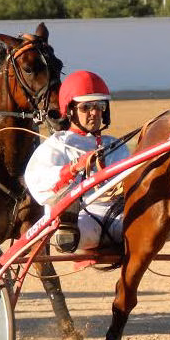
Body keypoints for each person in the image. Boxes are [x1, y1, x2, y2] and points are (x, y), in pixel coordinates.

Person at [24, 70, 130, 252]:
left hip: (118, 216)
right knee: (70, 230)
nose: (94, 113)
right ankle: (66, 230)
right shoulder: (58, 145)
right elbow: (37, 182)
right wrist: (73, 168)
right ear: (70, 110)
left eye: (99, 106)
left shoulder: (115, 145)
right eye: (86, 107)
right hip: (83, 219)